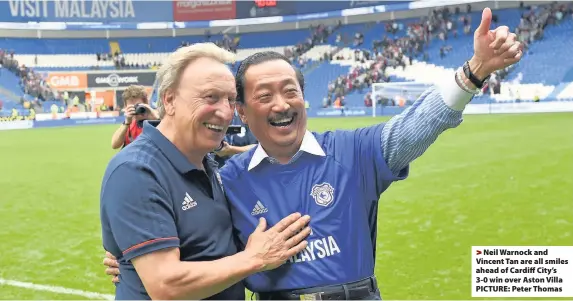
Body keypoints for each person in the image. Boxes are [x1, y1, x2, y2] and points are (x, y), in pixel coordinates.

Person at [104, 8, 523, 299]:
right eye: (264, 96)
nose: (282, 104)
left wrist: (473, 72)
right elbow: (195, 250)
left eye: (291, 91)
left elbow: (417, 125)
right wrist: (132, 260)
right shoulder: (227, 177)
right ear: (244, 114)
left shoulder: (352, 152)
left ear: (306, 99)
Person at [100, 43, 311, 300]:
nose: (224, 112)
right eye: (210, 97)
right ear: (169, 99)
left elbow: (215, 245)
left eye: (230, 100)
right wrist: (254, 258)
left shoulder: (208, 163)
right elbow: (165, 286)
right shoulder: (136, 171)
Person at [110, 85, 159, 149]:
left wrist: (156, 119)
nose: (136, 110)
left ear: (146, 103)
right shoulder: (128, 124)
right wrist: (126, 123)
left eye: (138, 106)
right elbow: (114, 145)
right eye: (132, 107)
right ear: (125, 107)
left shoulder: (157, 118)